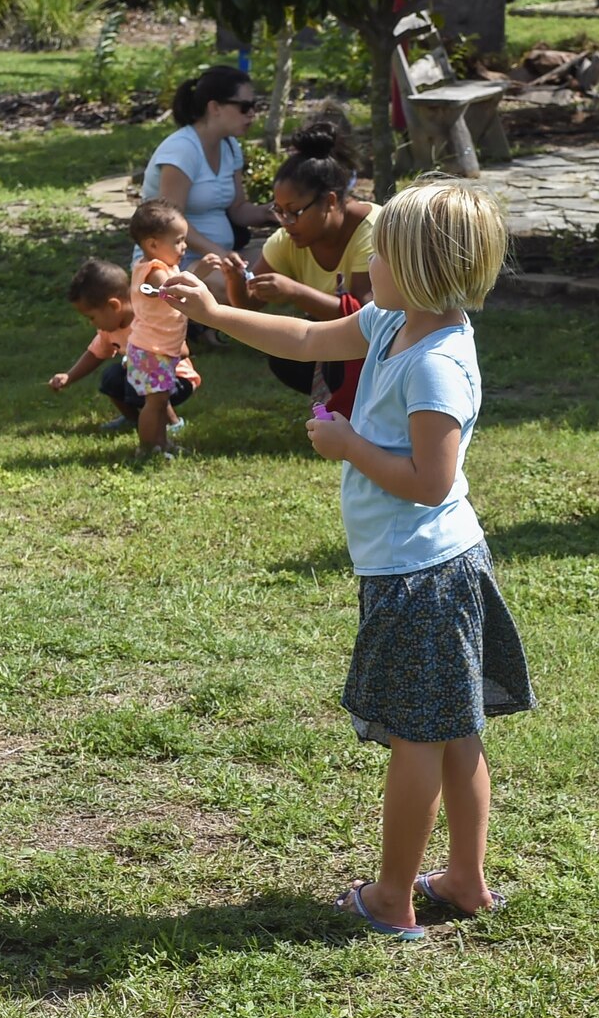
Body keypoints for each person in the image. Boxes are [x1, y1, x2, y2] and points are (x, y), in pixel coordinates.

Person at [163, 181, 534, 939]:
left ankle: (393, 896)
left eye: (384, 251)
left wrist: (346, 443)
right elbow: (303, 341)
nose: (370, 261)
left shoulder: (434, 363)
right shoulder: (397, 320)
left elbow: (430, 485)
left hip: (423, 574)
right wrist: (210, 313)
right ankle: (463, 877)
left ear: (424, 268)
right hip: (423, 568)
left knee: (418, 737)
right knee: (454, 730)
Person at [212, 120, 376, 418]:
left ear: (329, 201)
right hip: (346, 346)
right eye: (279, 211)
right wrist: (235, 279)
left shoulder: (374, 230)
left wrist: (295, 292)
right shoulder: (288, 239)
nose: (285, 222)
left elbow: (368, 317)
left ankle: (365, 406)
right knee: (284, 352)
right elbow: (249, 304)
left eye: (294, 212)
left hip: (387, 349)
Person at [141, 65, 278, 267]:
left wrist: (270, 212)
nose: (252, 114)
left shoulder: (230, 146)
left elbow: (237, 209)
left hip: (218, 258)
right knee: (240, 284)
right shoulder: (182, 151)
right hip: (174, 263)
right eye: (244, 106)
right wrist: (223, 256)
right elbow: (169, 223)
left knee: (285, 264)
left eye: (254, 106)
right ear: (214, 108)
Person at [47, 258, 199, 433]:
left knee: (141, 377)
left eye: (92, 317)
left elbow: (182, 351)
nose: (91, 323)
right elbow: (95, 354)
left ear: (114, 305)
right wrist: (69, 377)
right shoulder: (109, 330)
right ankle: (132, 419)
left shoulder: (148, 319)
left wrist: (145, 359)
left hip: (176, 379)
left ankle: (172, 423)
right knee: (111, 377)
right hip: (143, 378)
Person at [123, 199, 196, 460]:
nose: (184, 246)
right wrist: (202, 273)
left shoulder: (163, 266)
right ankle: (146, 448)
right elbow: (171, 291)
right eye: (178, 240)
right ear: (153, 244)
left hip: (159, 349)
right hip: (151, 350)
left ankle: (161, 445)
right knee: (154, 404)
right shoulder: (154, 272)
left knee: (161, 401)